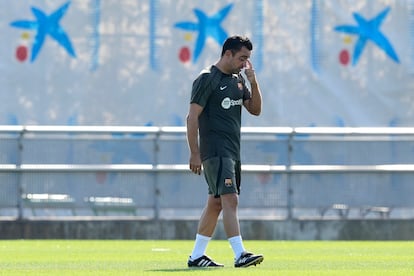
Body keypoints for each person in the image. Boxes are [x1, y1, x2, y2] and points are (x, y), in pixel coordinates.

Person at [186, 35, 264, 268]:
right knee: (231, 199)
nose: (245, 63)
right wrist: (194, 153)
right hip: (216, 151)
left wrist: (254, 82)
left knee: (216, 203)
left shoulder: (238, 80)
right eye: (242, 58)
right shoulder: (207, 78)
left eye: (248, 59)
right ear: (227, 54)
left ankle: (196, 256)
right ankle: (240, 253)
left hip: (232, 151)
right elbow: (192, 118)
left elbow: (256, 110)